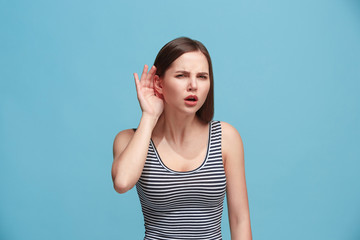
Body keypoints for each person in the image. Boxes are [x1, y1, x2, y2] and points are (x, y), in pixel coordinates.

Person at [111, 37, 252, 240]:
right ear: (159, 83)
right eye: (181, 75)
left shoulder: (226, 138)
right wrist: (149, 117)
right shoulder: (129, 139)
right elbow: (122, 182)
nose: (193, 85)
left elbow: (240, 219)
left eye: (202, 77)